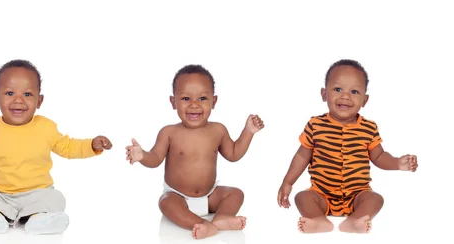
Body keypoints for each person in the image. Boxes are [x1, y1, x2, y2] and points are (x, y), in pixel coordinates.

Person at [0, 59, 113, 235]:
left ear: (39, 101)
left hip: (38, 192)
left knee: (55, 198)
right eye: (10, 93)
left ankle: (39, 219)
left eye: (27, 94)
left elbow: (68, 147)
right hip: (0, 194)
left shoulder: (46, 127)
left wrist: (91, 145)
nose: (18, 101)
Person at [277, 59, 418, 234]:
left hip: (357, 194)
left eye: (354, 91)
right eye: (337, 89)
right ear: (324, 94)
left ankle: (355, 221)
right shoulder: (315, 125)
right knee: (302, 197)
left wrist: (397, 163)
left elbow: (379, 157)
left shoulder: (369, 128)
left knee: (375, 199)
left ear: (364, 100)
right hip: (321, 194)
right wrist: (288, 182)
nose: (345, 96)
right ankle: (317, 220)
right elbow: (302, 156)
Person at [125, 64, 264, 239]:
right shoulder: (169, 132)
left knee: (236, 193)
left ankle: (221, 218)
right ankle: (203, 225)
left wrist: (248, 132)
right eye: (185, 99)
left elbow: (234, 154)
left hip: (209, 195)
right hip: (178, 196)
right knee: (165, 202)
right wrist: (142, 155)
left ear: (214, 101)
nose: (194, 105)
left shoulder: (218, 130)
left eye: (202, 98)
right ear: (173, 102)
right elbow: (156, 159)